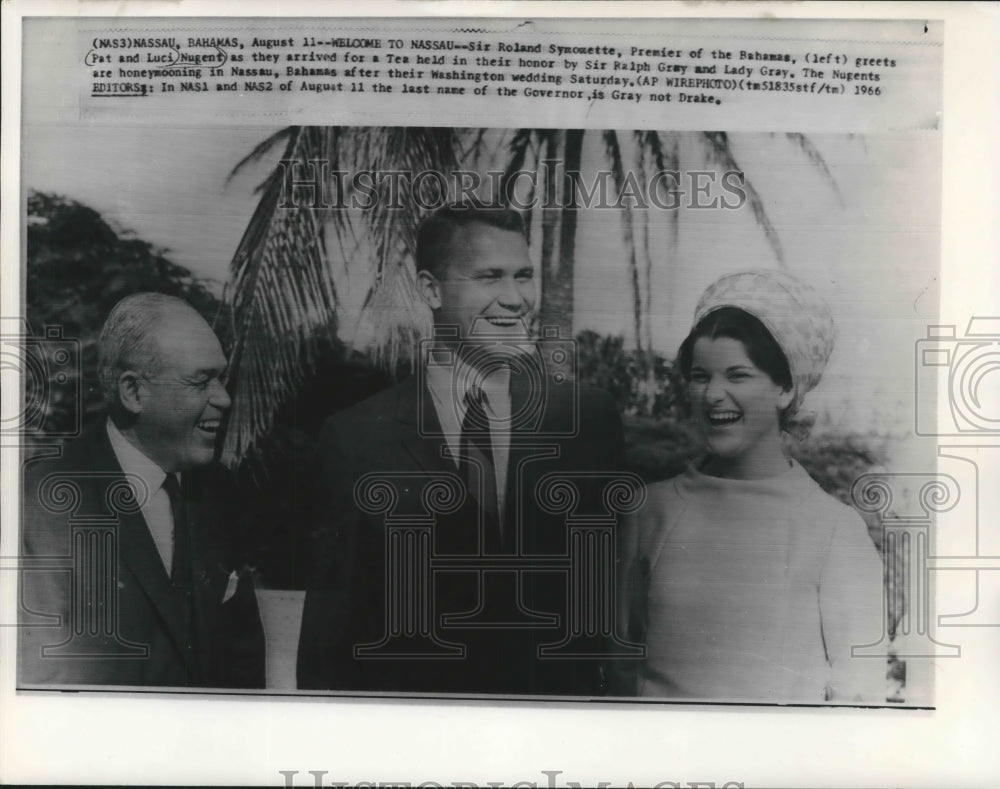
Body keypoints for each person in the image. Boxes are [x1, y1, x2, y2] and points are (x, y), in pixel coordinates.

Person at [297, 204, 627, 695]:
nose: (515, 300)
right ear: (431, 289)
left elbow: (611, 602)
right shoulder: (356, 437)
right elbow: (332, 634)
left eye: (523, 276)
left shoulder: (588, 421)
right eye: (489, 277)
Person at [616, 270, 886, 703]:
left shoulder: (834, 530)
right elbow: (615, 666)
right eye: (701, 376)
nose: (712, 395)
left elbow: (860, 695)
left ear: (785, 389)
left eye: (737, 375)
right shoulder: (648, 510)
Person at [19, 293, 266, 688]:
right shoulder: (44, 502)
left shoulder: (220, 491)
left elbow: (244, 659)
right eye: (200, 381)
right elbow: (45, 680)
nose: (224, 398)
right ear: (133, 392)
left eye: (221, 379)